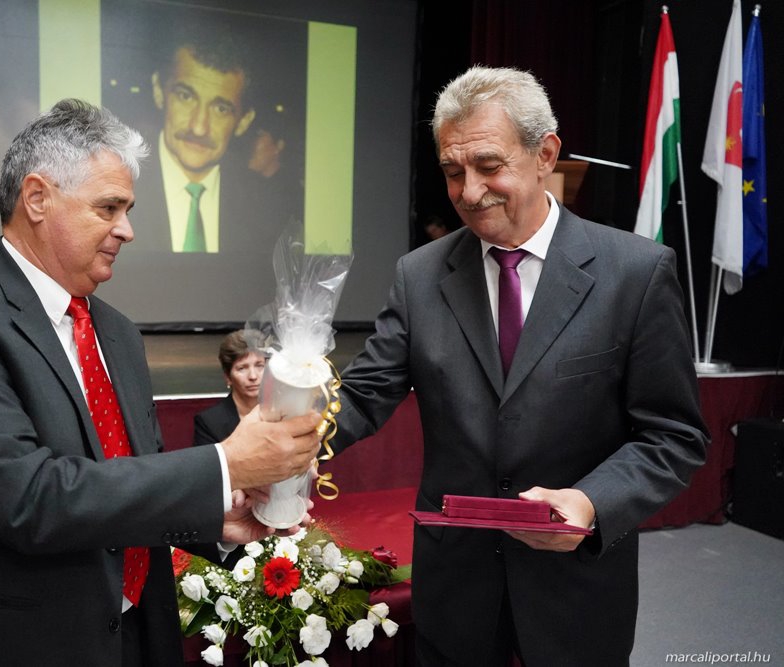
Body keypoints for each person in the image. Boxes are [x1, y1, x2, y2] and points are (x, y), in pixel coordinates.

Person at [0, 98, 322, 666]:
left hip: (130, 635)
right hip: (11, 646)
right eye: (108, 207)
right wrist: (227, 465)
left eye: (127, 209)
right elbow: (30, 499)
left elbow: (128, 479)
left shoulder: (116, 332)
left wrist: (217, 516)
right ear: (37, 198)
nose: (127, 230)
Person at [329, 66, 708, 666]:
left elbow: (674, 435)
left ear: (545, 155)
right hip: (456, 586)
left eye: (488, 166)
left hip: (576, 589)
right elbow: (361, 397)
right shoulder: (419, 275)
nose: (469, 192)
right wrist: (277, 432)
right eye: (453, 172)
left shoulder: (635, 273)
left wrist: (589, 503)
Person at [132, 21, 289, 254]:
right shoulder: (113, 188)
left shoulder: (269, 208)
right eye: (185, 96)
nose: (198, 128)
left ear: (244, 121)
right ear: (158, 91)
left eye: (221, 109)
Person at [193, 330, 266, 445]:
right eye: (242, 368)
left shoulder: (287, 411)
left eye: (259, 366)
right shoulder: (210, 422)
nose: (253, 376)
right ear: (228, 377)